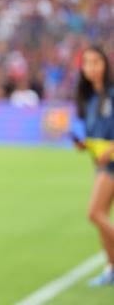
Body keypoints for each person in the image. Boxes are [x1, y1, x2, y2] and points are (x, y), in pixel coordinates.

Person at [72, 46, 114, 286]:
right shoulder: (90, 99)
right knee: (102, 215)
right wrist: (84, 145)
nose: (91, 67)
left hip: (111, 163)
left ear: (106, 65)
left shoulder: (111, 94)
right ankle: (111, 269)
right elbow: (96, 136)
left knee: (95, 213)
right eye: (87, 62)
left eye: (97, 61)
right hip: (101, 163)